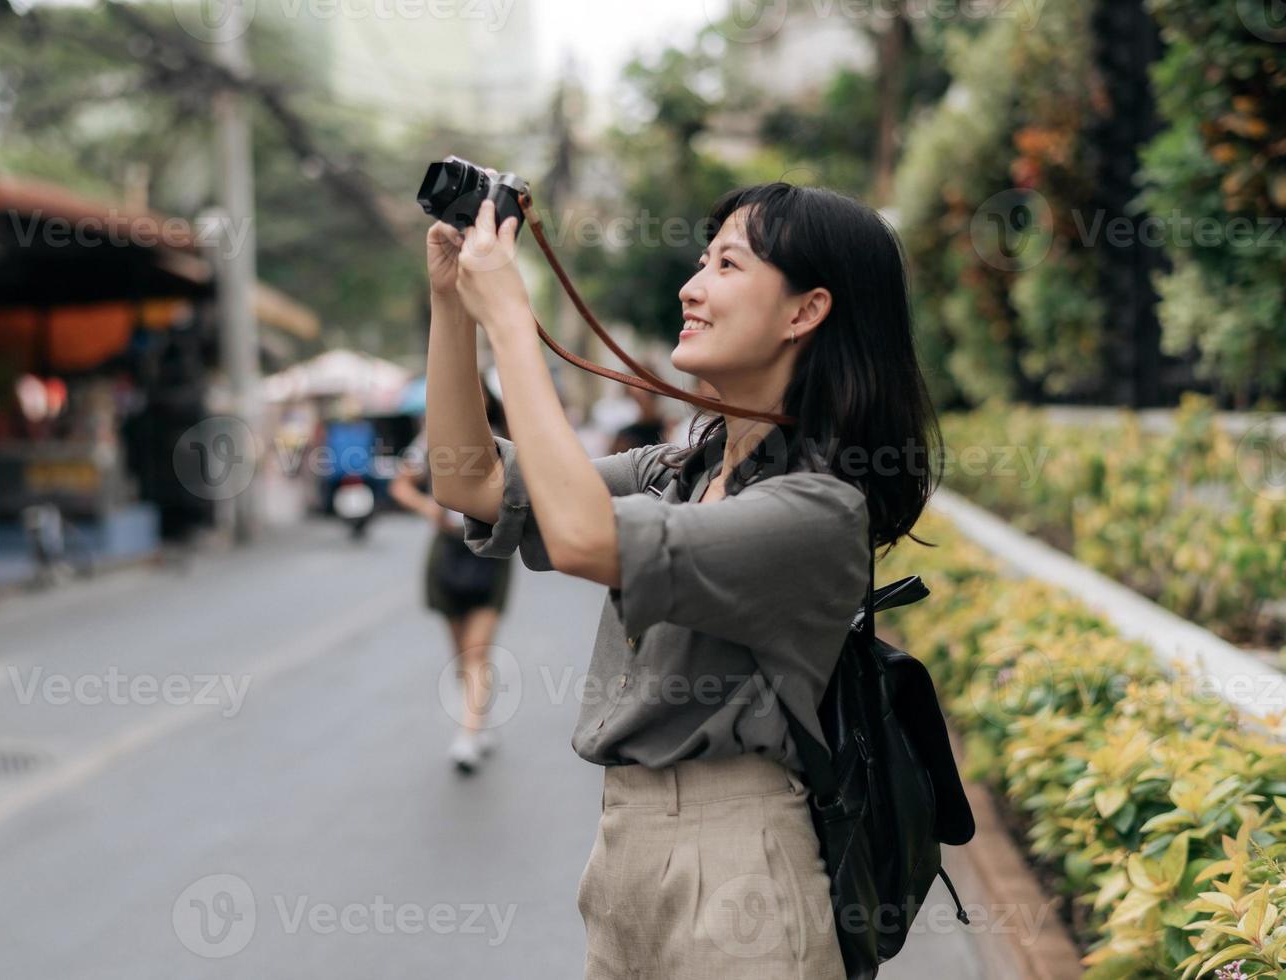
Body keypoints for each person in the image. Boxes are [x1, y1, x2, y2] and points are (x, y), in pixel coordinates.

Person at [425, 181, 940, 978]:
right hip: (625, 852)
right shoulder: (679, 469)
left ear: (805, 312)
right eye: (702, 260)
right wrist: (454, 309)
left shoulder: (817, 511)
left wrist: (512, 325)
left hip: (739, 867)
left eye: (727, 265)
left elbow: (581, 533)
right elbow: (471, 481)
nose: (691, 286)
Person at [388, 377, 514, 775]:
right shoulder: (430, 439)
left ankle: (468, 734)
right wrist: (431, 510)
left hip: (490, 552)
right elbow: (401, 486)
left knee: (477, 649)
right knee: (462, 653)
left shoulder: (504, 439)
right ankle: (480, 715)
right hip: (446, 552)